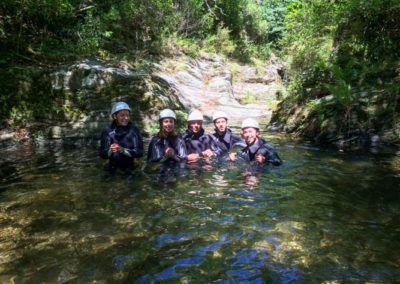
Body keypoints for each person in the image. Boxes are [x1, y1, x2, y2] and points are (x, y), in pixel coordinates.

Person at [99, 102, 144, 171]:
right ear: (114, 116)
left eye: (127, 115)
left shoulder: (134, 130)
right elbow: (102, 154)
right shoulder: (107, 131)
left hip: (131, 168)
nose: (126, 118)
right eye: (122, 115)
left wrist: (123, 150)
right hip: (112, 168)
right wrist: (110, 150)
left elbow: (140, 152)